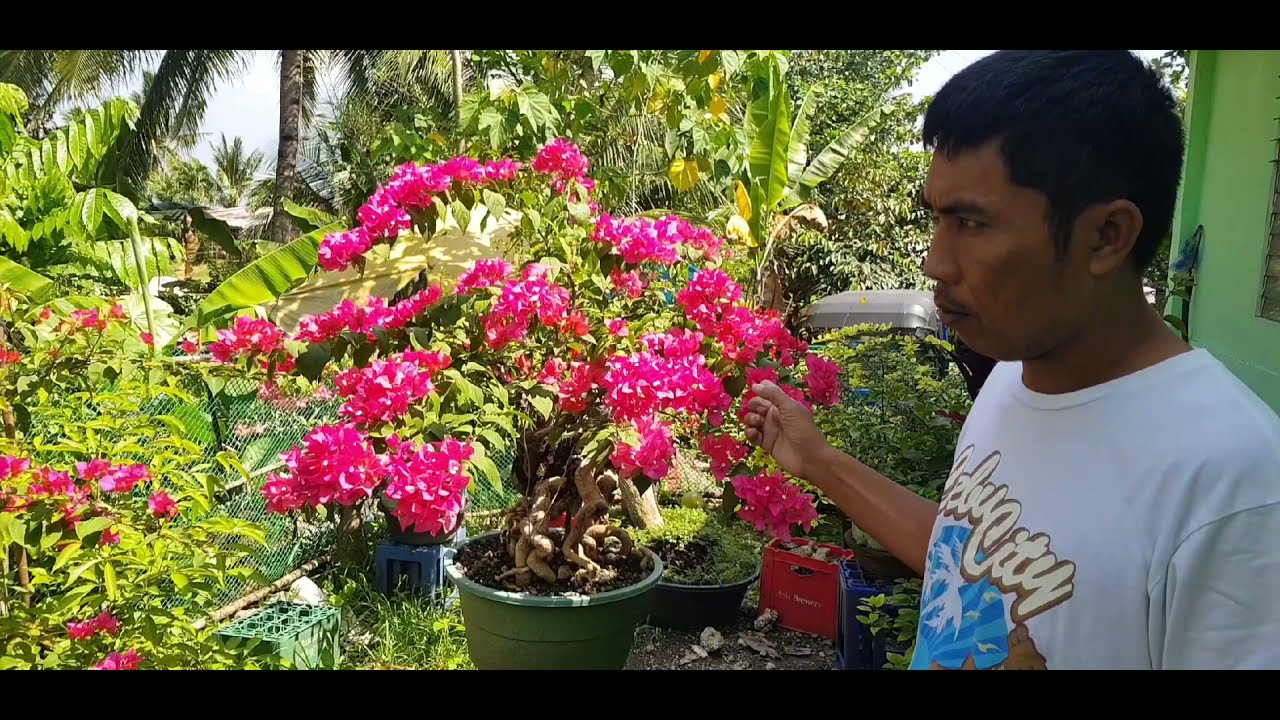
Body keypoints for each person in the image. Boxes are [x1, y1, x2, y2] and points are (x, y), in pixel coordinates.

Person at [743, 50, 1280, 670]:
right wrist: (819, 460)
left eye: (972, 223)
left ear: (1107, 236)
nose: (934, 262)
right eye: (937, 218)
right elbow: (970, 561)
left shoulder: (1236, 484)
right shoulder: (1012, 379)